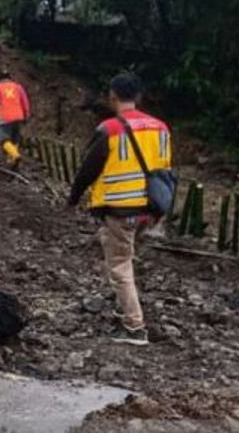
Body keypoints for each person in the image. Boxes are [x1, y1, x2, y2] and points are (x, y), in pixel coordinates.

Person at [67, 73, 172, 346]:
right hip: (150, 208)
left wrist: (74, 196)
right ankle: (122, 306)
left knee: (119, 266)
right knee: (124, 252)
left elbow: (87, 169)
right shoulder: (160, 127)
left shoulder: (109, 129)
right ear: (138, 97)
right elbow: (164, 167)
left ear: (113, 96)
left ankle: (134, 327)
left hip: (120, 208)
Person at [0, 69, 31, 168]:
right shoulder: (18, 87)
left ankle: (15, 155)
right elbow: (25, 102)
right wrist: (26, 115)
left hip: (5, 117)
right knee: (15, 139)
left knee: (3, 139)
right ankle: (11, 160)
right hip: (18, 116)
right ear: (10, 78)